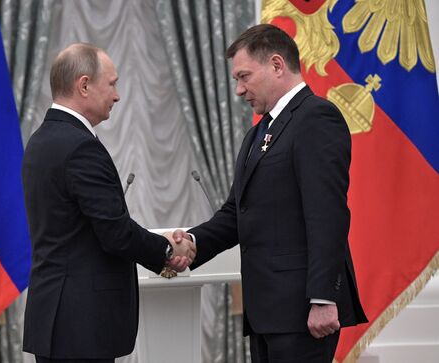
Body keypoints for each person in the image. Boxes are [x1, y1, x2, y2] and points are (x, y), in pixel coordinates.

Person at [173, 24, 367, 363]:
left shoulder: (315, 117)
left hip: (303, 311)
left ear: (277, 65)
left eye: (244, 76)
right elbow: (237, 212)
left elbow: (327, 214)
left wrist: (323, 298)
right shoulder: (259, 131)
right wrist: (192, 241)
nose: (238, 89)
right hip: (266, 311)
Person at [21, 43, 196, 363]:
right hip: (80, 326)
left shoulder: (41, 140)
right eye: (112, 84)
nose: (117, 96)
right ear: (84, 85)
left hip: (57, 320)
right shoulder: (78, 147)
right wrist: (168, 250)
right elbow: (115, 232)